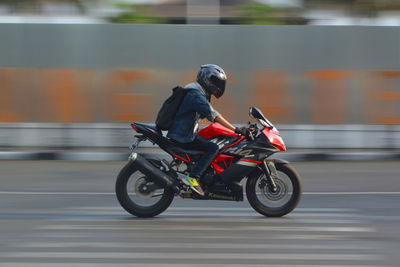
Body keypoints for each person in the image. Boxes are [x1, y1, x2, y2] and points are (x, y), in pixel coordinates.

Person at [167, 64, 248, 196]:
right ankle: (193, 177)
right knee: (213, 148)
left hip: (184, 133)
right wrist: (236, 129)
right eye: (217, 82)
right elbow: (214, 115)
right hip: (183, 136)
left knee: (210, 142)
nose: (219, 86)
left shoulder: (195, 92)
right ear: (207, 80)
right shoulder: (195, 95)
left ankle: (202, 175)